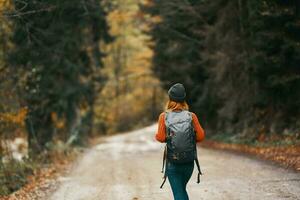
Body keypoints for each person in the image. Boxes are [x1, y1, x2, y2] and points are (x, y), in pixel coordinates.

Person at [155, 83, 205, 200]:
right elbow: (201, 136)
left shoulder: (164, 116)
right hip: (189, 162)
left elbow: (161, 138)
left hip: (173, 163)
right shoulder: (191, 116)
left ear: (170, 99)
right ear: (184, 99)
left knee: (179, 194)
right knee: (181, 191)